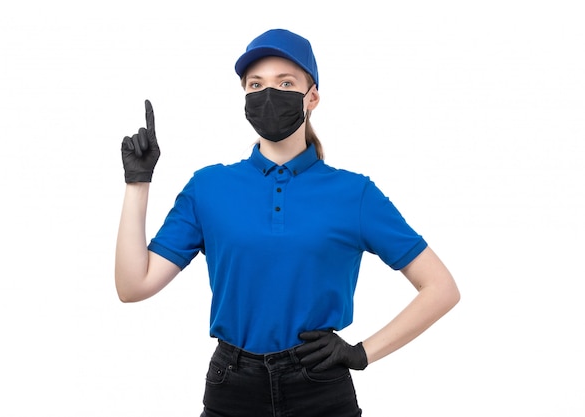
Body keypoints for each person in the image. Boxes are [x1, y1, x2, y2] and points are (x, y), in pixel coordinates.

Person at [115, 28, 460, 417]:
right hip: (232, 386)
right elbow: (133, 286)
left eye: (285, 82)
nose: (268, 94)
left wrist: (361, 353)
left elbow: (441, 288)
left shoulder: (354, 194)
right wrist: (137, 183)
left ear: (311, 96)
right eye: (255, 84)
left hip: (320, 386)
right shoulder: (209, 187)